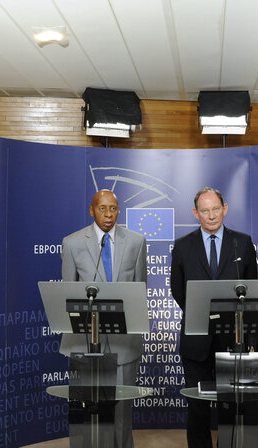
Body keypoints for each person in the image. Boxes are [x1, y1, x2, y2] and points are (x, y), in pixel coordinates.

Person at [170, 186, 258, 448]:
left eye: (216, 209)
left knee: (233, 409)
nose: (211, 216)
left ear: (225, 209)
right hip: (196, 340)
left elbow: (251, 290)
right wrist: (202, 314)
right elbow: (178, 289)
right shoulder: (183, 246)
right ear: (196, 213)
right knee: (198, 410)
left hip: (234, 340)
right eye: (205, 211)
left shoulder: (241, 243)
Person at [59, 190, 147, 448]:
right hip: (84, 342)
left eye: (114, 209)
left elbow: (139, 291)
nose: (108, 215)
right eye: (102, 209)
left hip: (124, 343)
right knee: (87, 414)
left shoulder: (136, 242)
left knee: (121, 414)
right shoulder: (73, 243)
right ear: (91, 210)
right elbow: (68, 294)